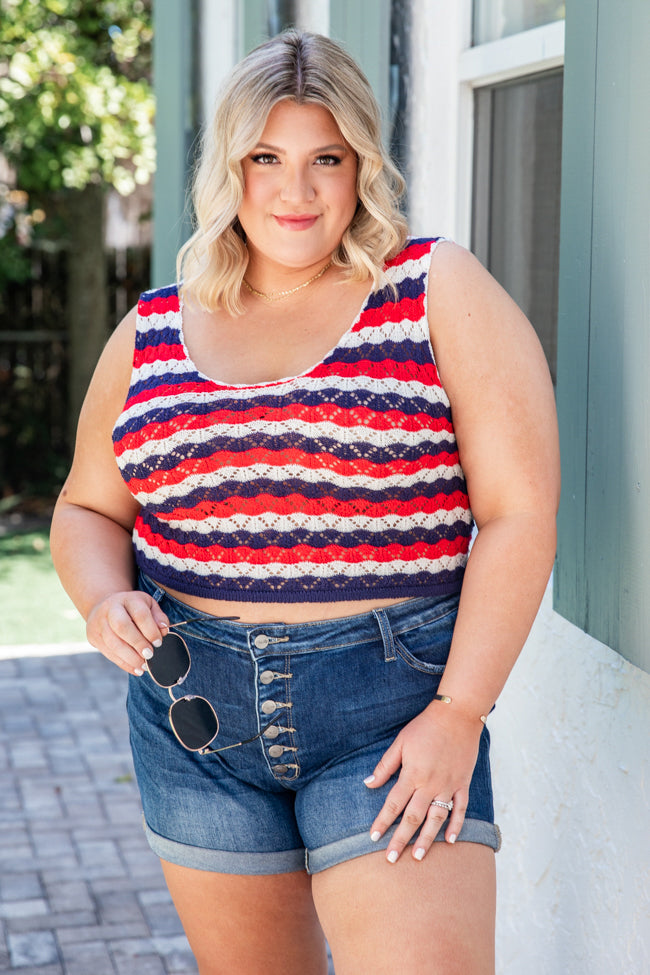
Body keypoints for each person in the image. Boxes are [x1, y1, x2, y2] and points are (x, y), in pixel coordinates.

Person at [51, 28, 560, 975]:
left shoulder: (432, 290)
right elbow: (87, 509)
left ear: (364, 161)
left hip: (393, 711)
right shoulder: (154, 327)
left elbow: (520, 511)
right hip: (193, 712)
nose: (296, 191)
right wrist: (100, 598)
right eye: (266, 159)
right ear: (229, 170)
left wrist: (461, 711)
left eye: (326, 158)